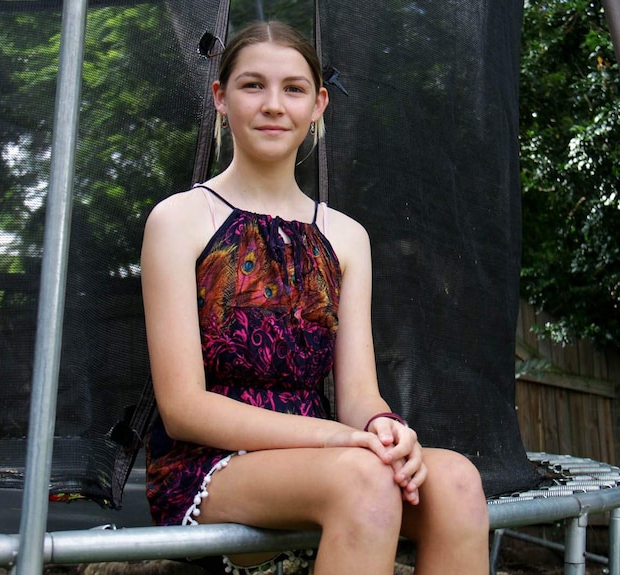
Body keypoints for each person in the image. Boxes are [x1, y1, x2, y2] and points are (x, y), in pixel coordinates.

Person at [141, 20, 489, 575]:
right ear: (220, 98)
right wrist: (340, 440)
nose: (273, 105)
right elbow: (183, 409)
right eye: (252, 85)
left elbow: (357, 394)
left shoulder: (347, 237)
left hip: (334, 458)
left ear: (318, 104)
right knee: (365, 479)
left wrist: (381, 427)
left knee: (457, 483)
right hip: (211, 467)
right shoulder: (179, 220)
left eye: (294, 88)